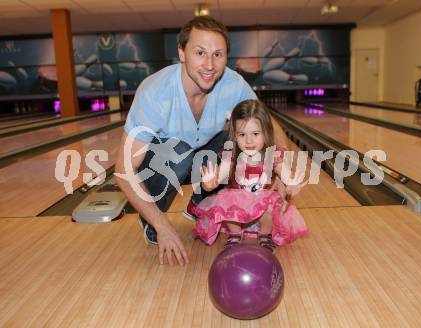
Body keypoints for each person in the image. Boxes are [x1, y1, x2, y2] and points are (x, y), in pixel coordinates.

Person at [115, 16, 290, 266]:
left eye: (218, 54)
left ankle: (200, 202)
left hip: (207, 169)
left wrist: (282, 170)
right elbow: (123, 169)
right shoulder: (155, 93)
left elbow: (269, 124)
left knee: (241, 137)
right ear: (182, 53)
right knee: (178, 151)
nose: (209, 64)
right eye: (200, 52)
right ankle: (152, 220)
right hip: (165, 168)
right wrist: (162, 224)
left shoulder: (233, 84)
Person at [192, 99, 309, 253]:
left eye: (255, 134)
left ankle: (265, 235)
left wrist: (291, 183)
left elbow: (284, 173)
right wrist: (209, 183)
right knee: (224, 199)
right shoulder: (231, 158)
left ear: (266, 133)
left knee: (272, 203)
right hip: (239, 215)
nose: (249, 141)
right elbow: (218, 177)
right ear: (234, 136)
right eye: (242, 134)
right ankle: (235, 235)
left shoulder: (272, 156)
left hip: (263, 214)